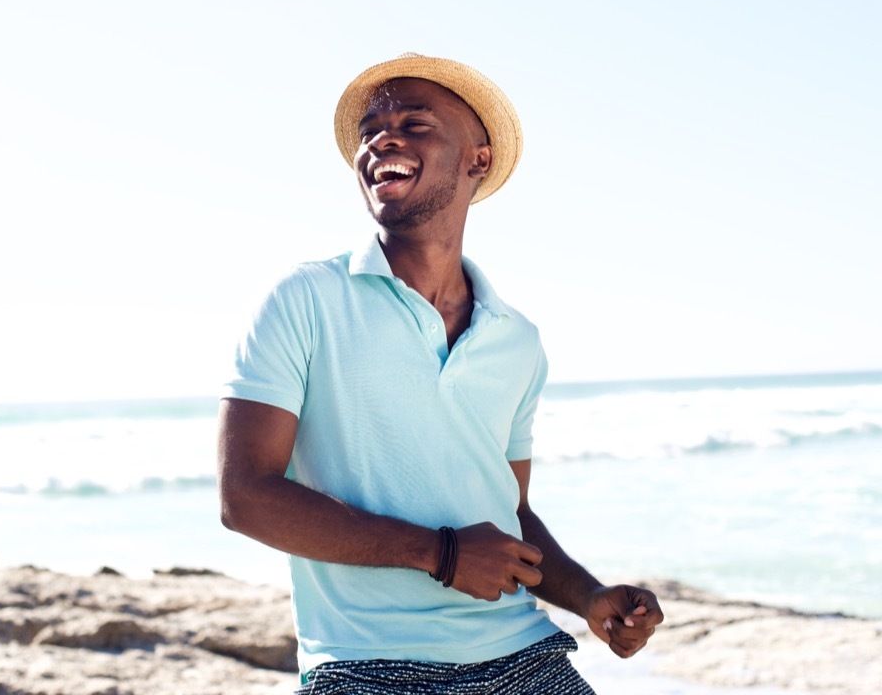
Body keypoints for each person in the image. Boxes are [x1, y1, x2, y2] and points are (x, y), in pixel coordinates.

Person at [218, 53, 663, 693]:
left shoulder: (517, 341)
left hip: (522, 653)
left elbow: (509, 512)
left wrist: (589, 596)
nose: (381, 140)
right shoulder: (305, 300)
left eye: (414, 123)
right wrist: (441, 553)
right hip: (361, 665)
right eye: (370, 130)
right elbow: (246, 497)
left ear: (477, 159)